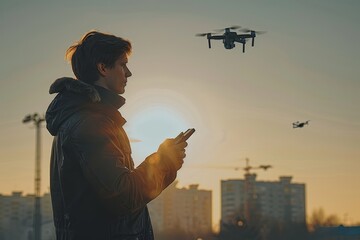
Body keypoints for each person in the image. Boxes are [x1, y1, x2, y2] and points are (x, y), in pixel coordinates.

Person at [45, 30, 188, 240]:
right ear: (103, 68)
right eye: (123, 64)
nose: (128, 73)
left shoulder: (83, 118)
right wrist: (165, 161)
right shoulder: (90, 123)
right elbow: (123, 197)